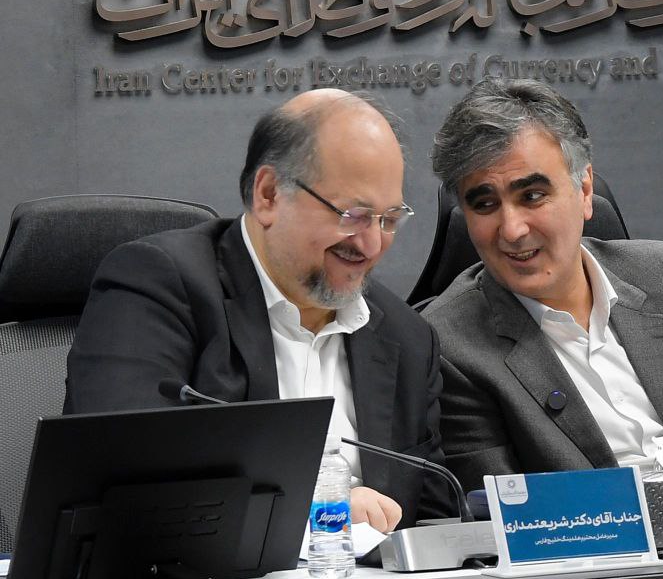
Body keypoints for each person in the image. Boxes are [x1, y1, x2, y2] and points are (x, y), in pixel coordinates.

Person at [64, 89, 453, 531]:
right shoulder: (159, 284)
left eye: (389, 220)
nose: (372, 244)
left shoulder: (407, 338)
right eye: (353, 215)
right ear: (269, 195)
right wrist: (320, 502)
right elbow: (126, 472)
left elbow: (436, 521)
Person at [424, 79, 663, 494]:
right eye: (484, 205)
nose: (512, 230)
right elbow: (506, 505)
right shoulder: (449, 345)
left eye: (533, 196)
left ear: (584, 190)